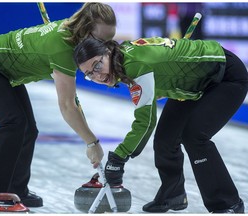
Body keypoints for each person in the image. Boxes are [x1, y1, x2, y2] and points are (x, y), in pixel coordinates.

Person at [0, 3, 116, 210]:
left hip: (5, 73)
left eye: (108, 42)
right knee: (14, 123)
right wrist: (92, 142)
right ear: (85, 30)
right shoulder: (62, 47)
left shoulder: (72, 37)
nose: (104, 48)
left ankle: (17, 189)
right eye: (100, 40)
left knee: (28, 129)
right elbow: (68, 106)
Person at [73, 37, 248, 213]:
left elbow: (146, 122)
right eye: (89, 74)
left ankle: (228, 204)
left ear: (108, 52)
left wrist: (118, 158)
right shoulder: (122, 60)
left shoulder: (135, 65)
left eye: (97, 65)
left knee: (194, 136)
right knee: (166, 138)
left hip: (225, 76)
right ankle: (174, 195)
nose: (98, 76)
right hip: (193, 84)